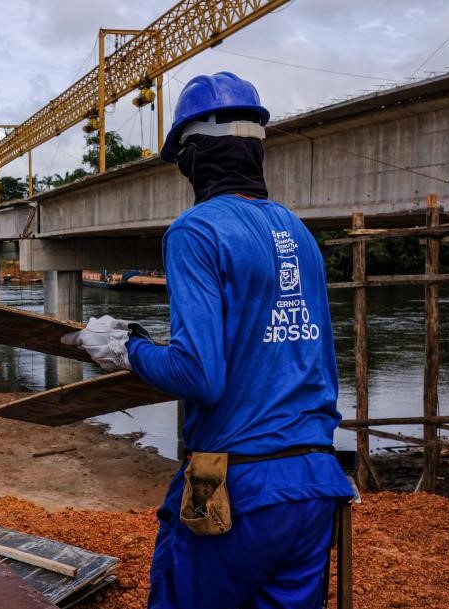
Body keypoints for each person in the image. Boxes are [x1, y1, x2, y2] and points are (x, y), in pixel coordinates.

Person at [61, 72, 354, 608]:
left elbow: (200, 374)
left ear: (193, 155)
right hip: (315, 481)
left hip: (237, 483)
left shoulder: (197, 230)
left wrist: (123, 348)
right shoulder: (298, 232)